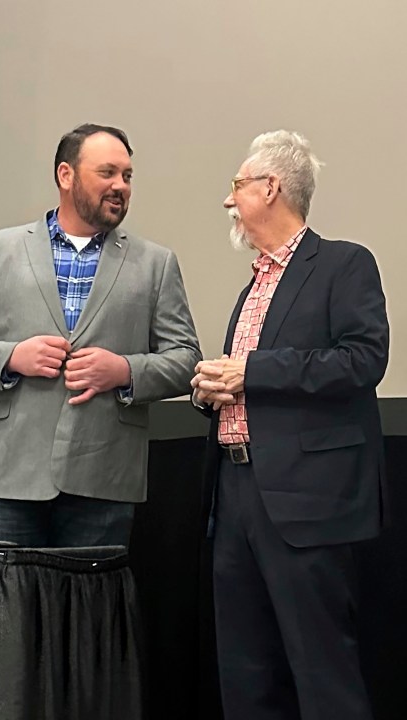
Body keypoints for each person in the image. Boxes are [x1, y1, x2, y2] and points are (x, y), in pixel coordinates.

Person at [191, 130, 389, 720]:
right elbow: (250, 380)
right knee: (246, 673)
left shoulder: (342, 264)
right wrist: (213, 390)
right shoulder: (255, 281)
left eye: (238, 185)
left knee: (321, 671)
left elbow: (363, 359)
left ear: (270, 188)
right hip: (235, 495)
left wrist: (250, 371)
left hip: (306, 504)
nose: (229, 200)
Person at [0, 123, 200, 548]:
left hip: (104, 481)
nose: (120, 186)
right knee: (2, 613)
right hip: (7, 480)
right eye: (107, 173)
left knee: (87, 615)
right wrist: (11, 358)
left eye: (127, 176)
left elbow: (186, 360)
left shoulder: (156, 263)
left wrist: (124, 371)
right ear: (65, 175)